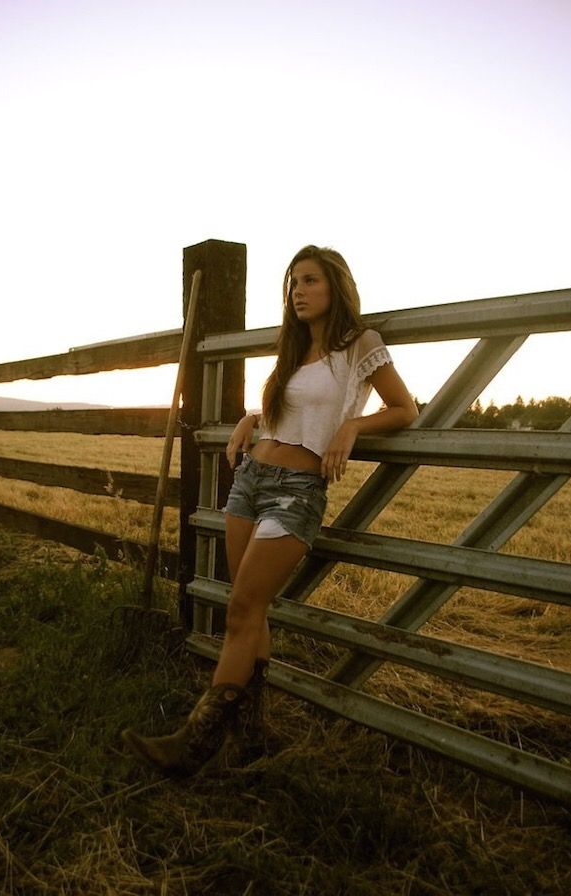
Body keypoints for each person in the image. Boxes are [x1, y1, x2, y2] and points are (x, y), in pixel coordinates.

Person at [122, 245, 418, 775]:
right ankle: (254, 740)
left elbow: (404, 408)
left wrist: (353, 426)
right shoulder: (293, 347)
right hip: (251, 481)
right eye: (293, 284)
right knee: (250, 610)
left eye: (309, 281)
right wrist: (251, 419)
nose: (299, 292)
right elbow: (292, 409)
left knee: (238, 611)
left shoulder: (360, 346)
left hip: (297, 491)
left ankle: (192, 745)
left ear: (336, 287)